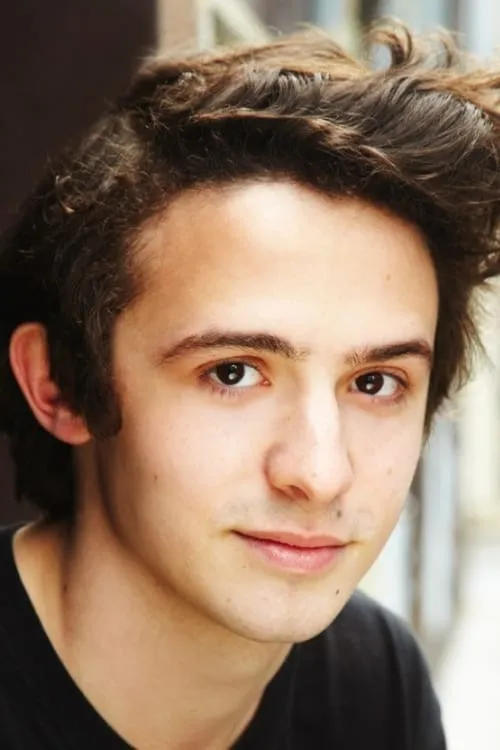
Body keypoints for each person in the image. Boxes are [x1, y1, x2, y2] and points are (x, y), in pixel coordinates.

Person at [0, 20, 499, 750]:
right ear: (60, 385)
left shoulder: (371, 680)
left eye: (375, 382)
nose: (319, 474)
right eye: (232, 373)